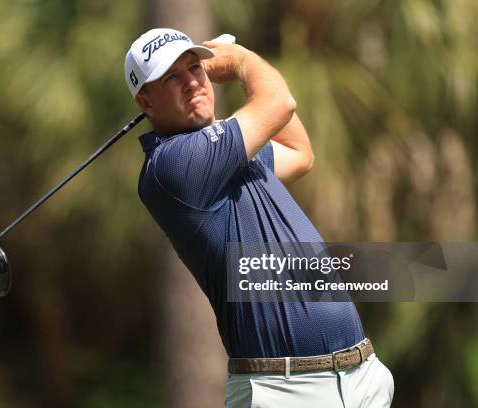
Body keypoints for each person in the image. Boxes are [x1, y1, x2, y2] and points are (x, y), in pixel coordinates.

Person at [124, 28, 394, 407]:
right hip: (284, 392)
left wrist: (241, 70)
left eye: (195, 67)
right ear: (146, 104)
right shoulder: (173, 166)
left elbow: (300, 153)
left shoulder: (227, 155)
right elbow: (280, 102)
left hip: (362, 377)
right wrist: (238, 61)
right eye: (172, 77)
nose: (192, 82)